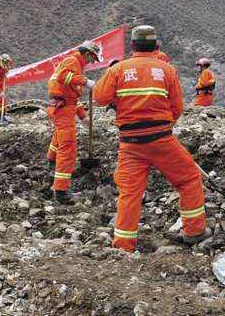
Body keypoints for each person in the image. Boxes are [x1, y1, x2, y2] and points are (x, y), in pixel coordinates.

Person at [93, 25, 210, 252]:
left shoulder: (119, 70)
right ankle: (194, 231)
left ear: (133, 46)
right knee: (188, 179)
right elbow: (176, 108)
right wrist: (163, 126)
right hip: (162, 140)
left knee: (129, 193)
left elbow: (99, 97)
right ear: (156, 46)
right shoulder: (167, 70)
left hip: (130, 144)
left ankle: (124, 244)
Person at [46, 41, 99, 204]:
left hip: (63, 108)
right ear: (88, 53)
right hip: (62, 109)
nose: (92, 62)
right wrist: (85, 82)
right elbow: (64, 78)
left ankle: (51, 163)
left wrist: (83, 117)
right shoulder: (73, 61)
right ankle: (61, 192)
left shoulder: (74, 63)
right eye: (92, 58)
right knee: (68, 147)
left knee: (59, 139)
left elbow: (71, 96)